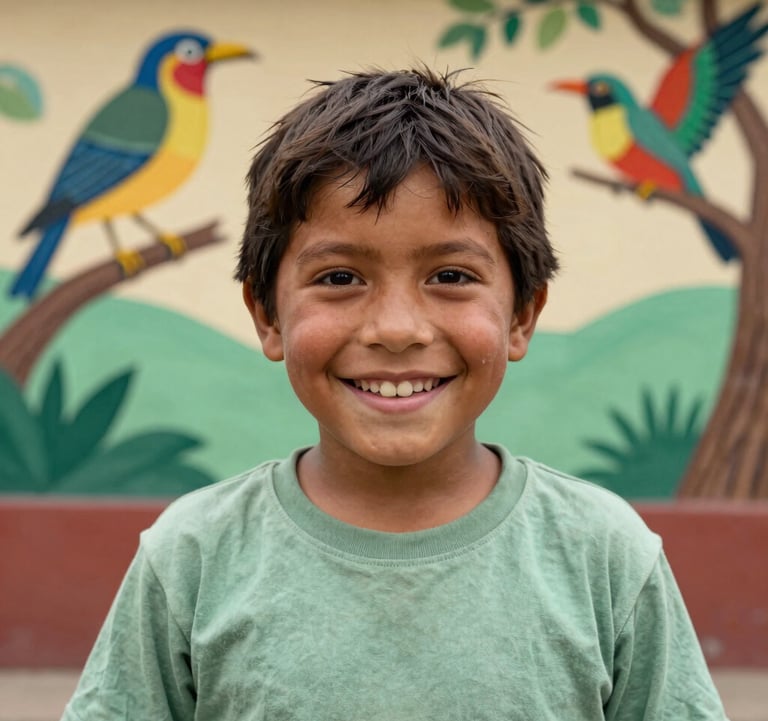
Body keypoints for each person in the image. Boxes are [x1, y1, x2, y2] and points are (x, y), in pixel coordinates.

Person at [61, 66, 728, 720]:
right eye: (341, 277)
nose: (397, 329)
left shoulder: (604, 556)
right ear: (267, 316)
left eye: (450, 274)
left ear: (522, 314)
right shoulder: (193, 558)